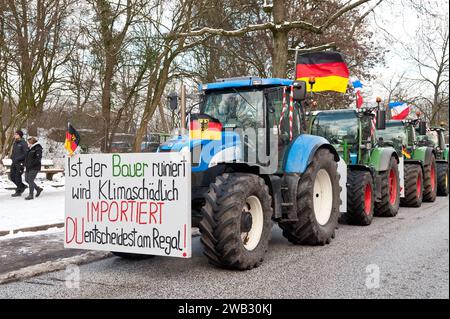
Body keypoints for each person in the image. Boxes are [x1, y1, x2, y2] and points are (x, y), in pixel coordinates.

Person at [10, 130, 28, 197]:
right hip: (14, 162)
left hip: (20, 163)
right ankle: (22, 186)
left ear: (20, 135)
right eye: (15, 134)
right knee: (12, 177)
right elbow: (14, 152)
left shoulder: (23, 143)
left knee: (17, 177)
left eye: (16, 134)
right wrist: (12, 157)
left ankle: (18, 191)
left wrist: (18, 159)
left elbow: (26, 154)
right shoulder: (15, 143)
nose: (14, 135)